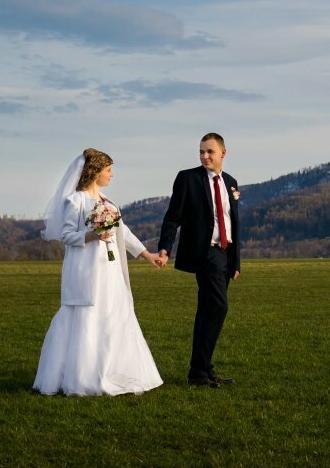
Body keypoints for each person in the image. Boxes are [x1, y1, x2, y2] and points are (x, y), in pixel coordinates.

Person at [34, 148, 165, 396]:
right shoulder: (75, 201)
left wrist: (147, 254)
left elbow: (122, 232)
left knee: (114, 315)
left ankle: (115, 372)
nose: (111, 175)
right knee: (86, 317)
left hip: (110, 270)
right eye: (108, 170)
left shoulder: (108, 203)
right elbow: (66, 235)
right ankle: (81, 377)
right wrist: (92, 236)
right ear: (95, 172)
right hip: (86, 270)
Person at [157, 133, 241, 388]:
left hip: (225, 254)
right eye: (201, 152)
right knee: (218, 307)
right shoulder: (188, 178)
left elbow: (233, 224)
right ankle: (200, 371)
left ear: (223, 153)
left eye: (210, 152)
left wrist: (235, 262)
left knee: (208, 311)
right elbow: (173, 216)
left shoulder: (231, 182)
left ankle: (200, 372)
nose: (205, 156)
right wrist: (164, 248)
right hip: (205, 253)